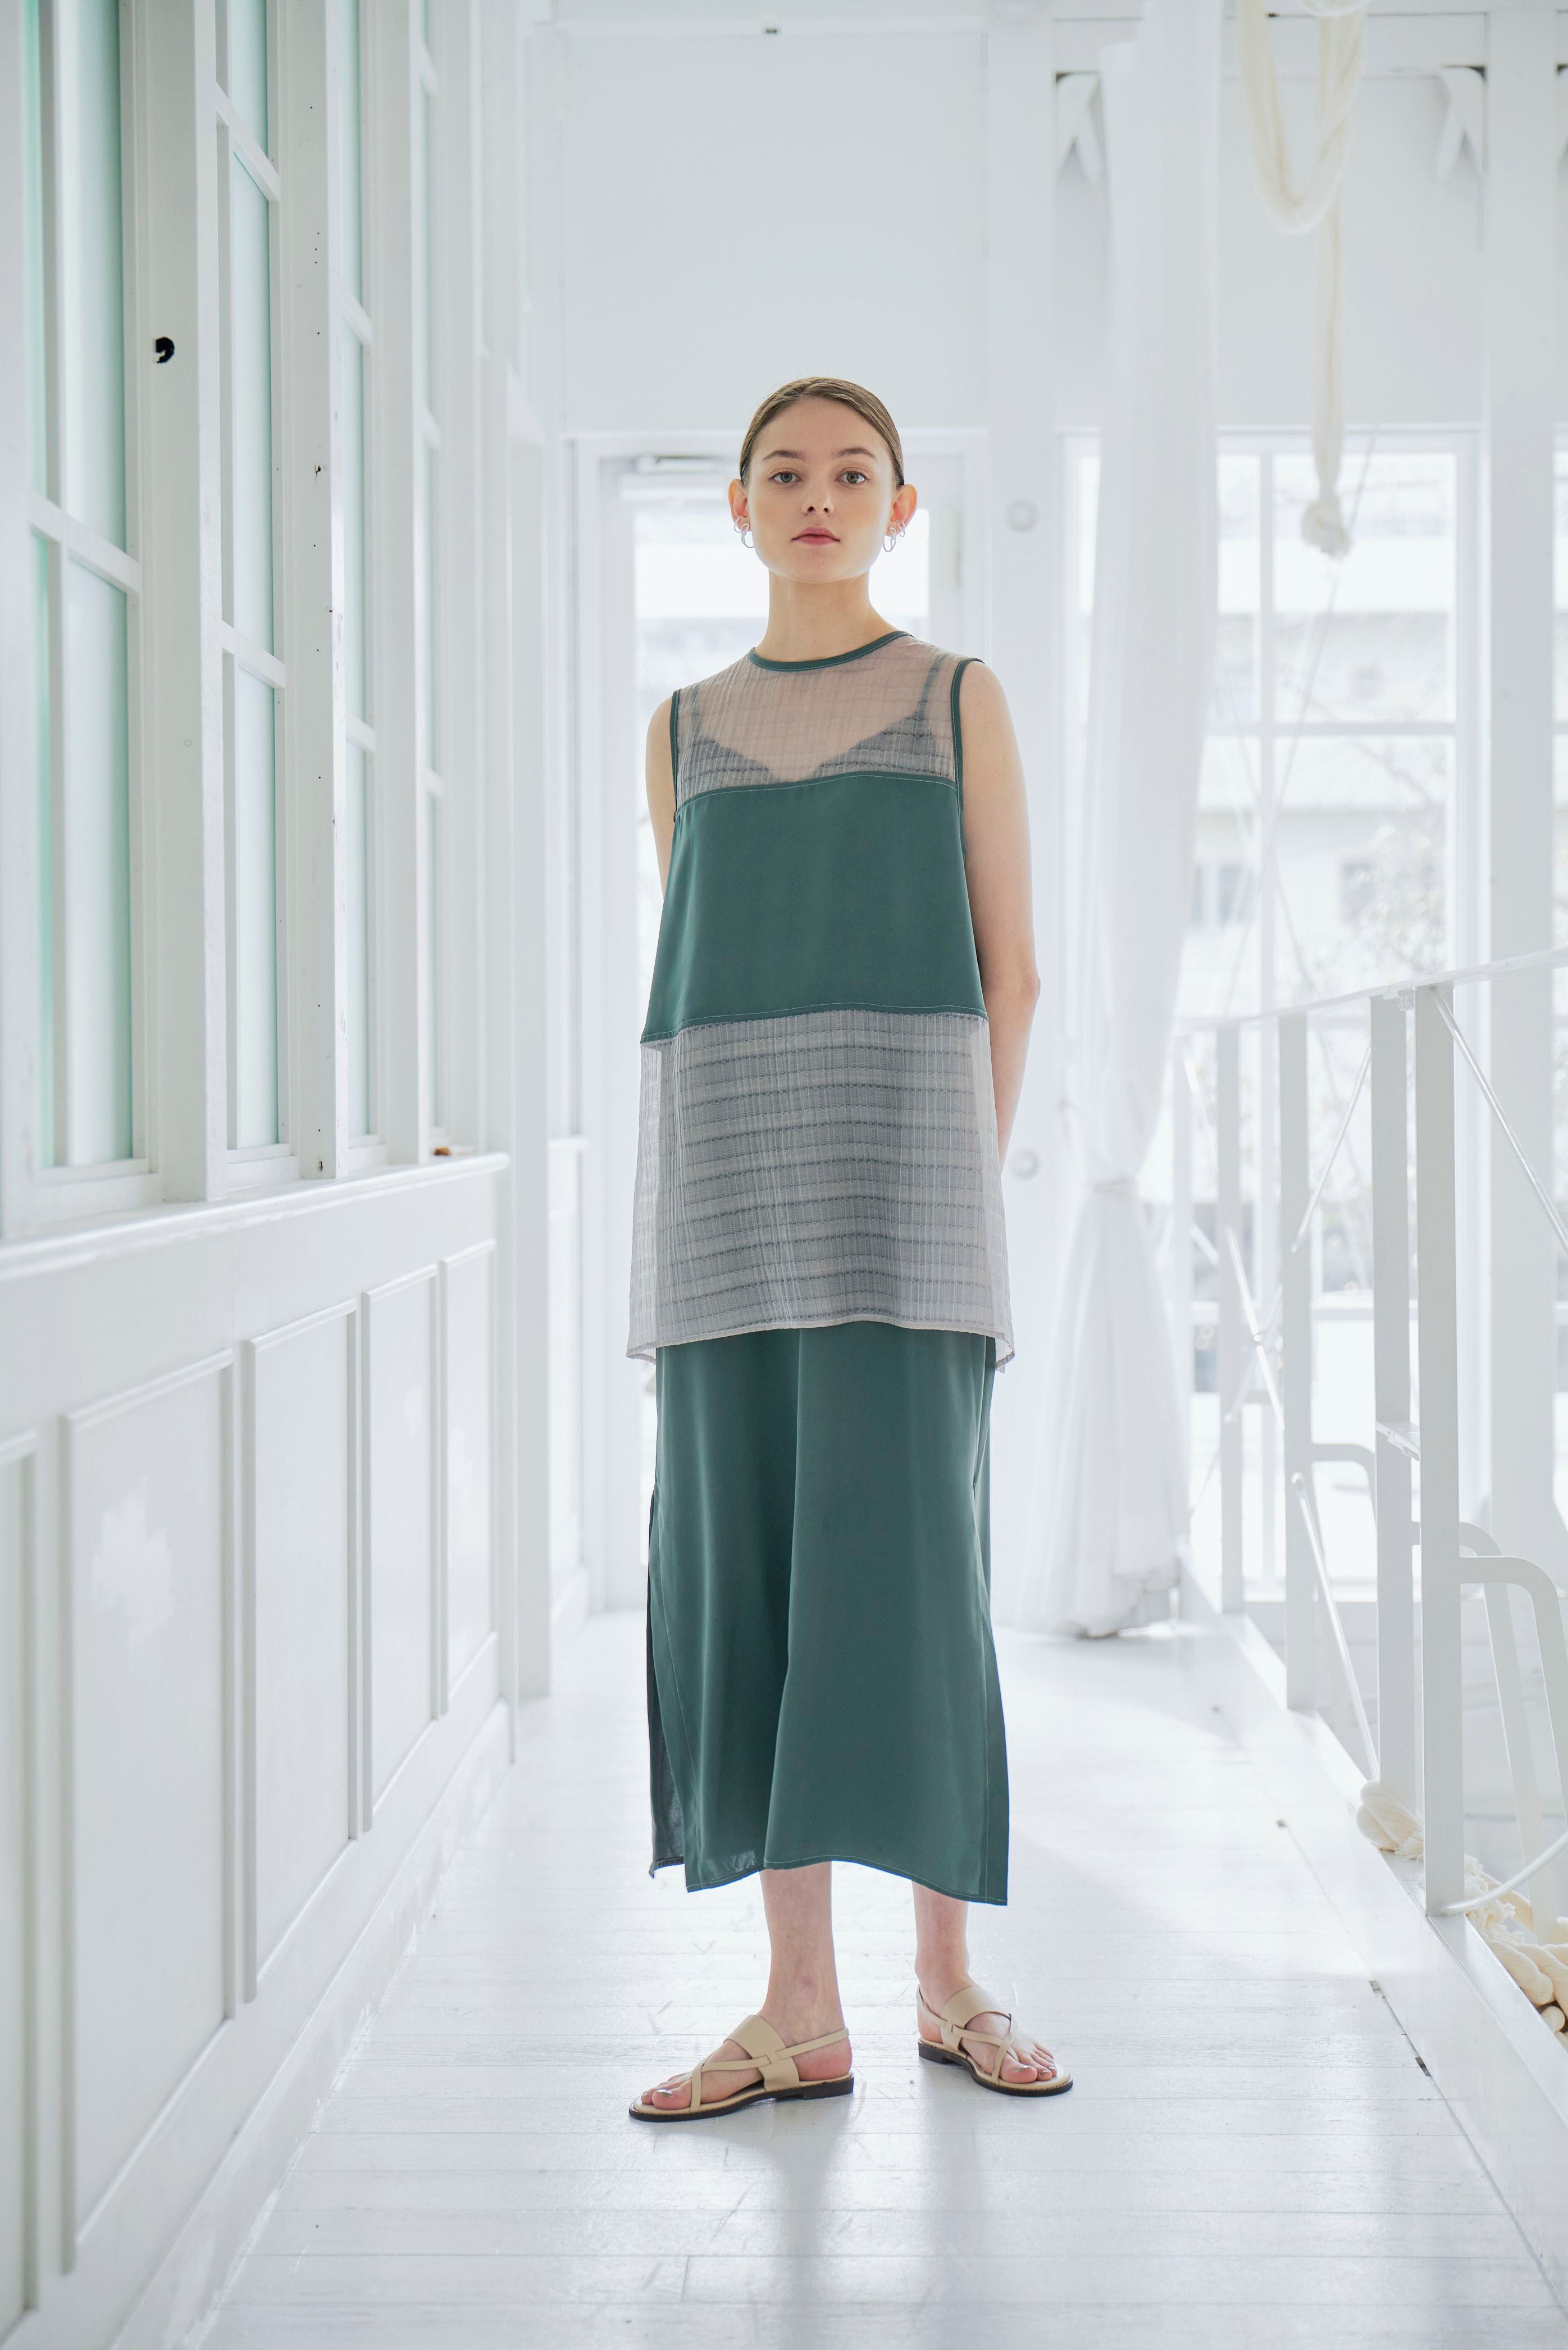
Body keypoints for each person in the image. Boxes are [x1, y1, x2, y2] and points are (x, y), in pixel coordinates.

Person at [626, 377, 1067, 2121]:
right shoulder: (679, 729)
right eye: (787, 472)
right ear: (739, 508)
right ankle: (797, 2009)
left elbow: (1012, 970)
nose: (821, 496)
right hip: (726, 1213)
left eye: (855, 472)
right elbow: (708, 972)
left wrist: (959, 1177)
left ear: (901, 508)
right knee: (747, 1585)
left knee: (920, 1582)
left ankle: (948, 1982)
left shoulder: (958, 698)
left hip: (914, 1210)